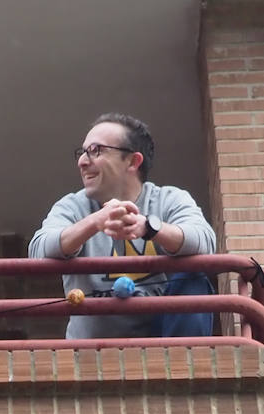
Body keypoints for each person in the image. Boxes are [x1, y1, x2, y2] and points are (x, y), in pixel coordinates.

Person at [29, 113, 217, 339]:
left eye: (96, 150)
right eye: (82, 153)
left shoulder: (169, 199)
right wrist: (95, 221)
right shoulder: (71, 206)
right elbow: (38, 251)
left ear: (132, 161)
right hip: (93, 353)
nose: (82, 161)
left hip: (164, 342)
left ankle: (185, 368)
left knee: (193, 278)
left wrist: (149, 228)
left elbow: (205, 242)